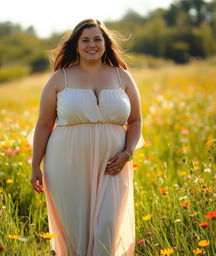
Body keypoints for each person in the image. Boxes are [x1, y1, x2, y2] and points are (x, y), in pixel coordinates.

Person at [28, 18, 145, 256]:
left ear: (105, 44)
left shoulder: (122, 77)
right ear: (76, 45)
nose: (92, 45)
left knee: (107, 226)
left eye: (97, 39)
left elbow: (135, 121)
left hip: (113, 164)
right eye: (85, 40)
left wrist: (127, 153)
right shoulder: (60, 78)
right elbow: (43, 124)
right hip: (65, 164)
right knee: (75, 233)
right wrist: (35, 166)